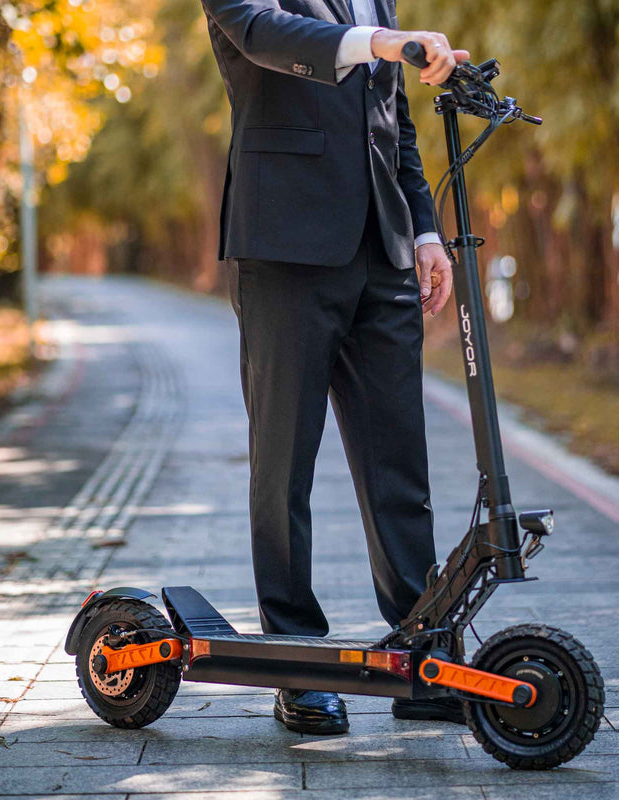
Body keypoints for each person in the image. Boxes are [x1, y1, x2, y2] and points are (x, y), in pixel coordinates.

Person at [200, 0, 468, 734]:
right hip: (284, 249)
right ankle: (296, 660)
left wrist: (423, 230)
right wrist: (381, 41)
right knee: (284, 463)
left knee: (400, 465)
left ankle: (423, 656)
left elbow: (393, 125)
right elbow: (263, 35)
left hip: (380, 253)